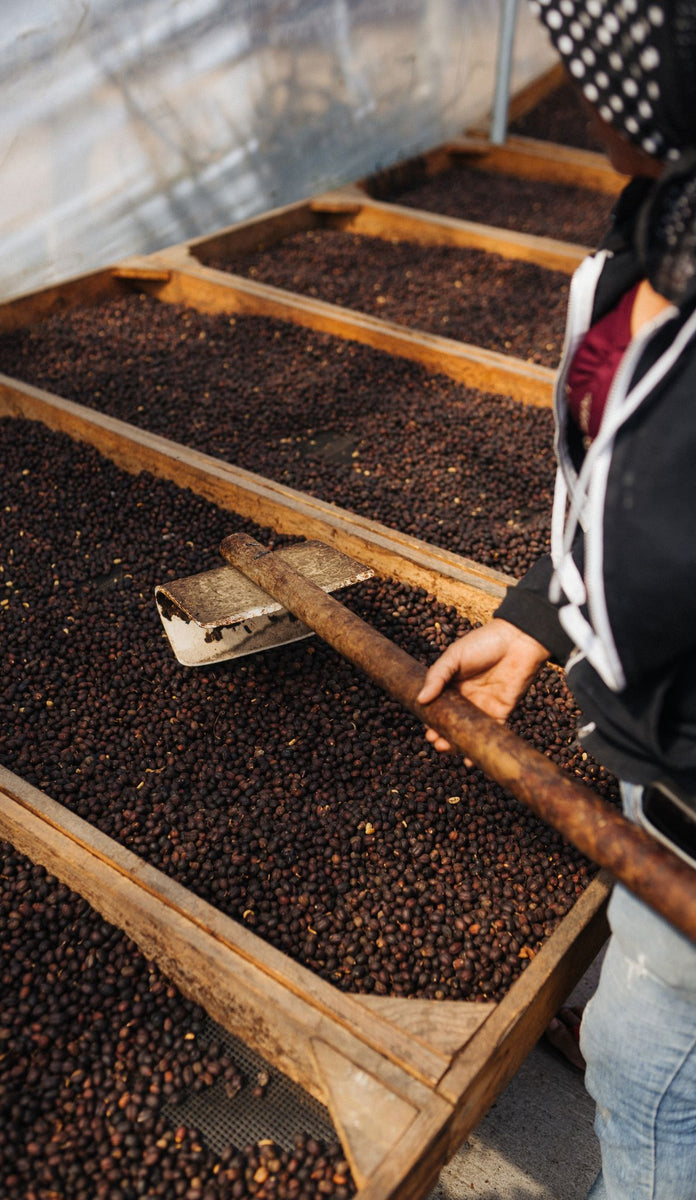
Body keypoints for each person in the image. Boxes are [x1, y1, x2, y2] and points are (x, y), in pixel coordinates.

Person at [417, 2, 696, 1196]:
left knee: (646, 1088)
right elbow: (614, 488)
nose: (573, 95)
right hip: (663, 774)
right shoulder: (660, 234)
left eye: (593, 67)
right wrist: (536, 623)